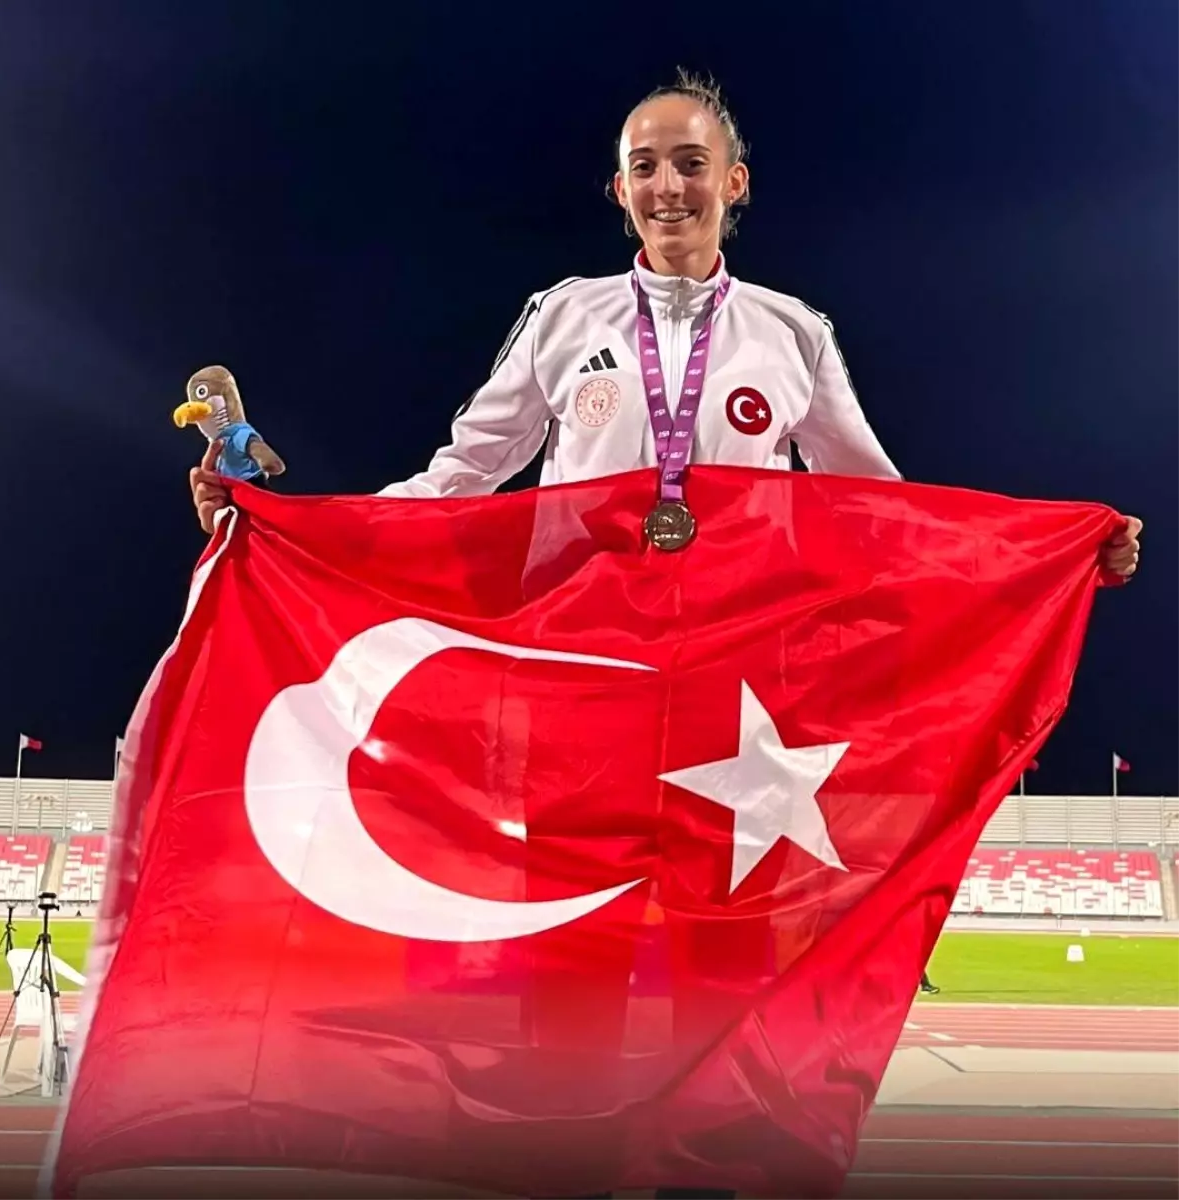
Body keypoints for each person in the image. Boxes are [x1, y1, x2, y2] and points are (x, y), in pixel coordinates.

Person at [189, 68, 1143, 1200]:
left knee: (723, 961)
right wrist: (291, 522)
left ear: (734, 183)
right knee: (565, 954)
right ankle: (564, 1171)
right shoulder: (565, 317)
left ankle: (709, 1178)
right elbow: (462, 477)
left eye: (692, 162)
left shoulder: (791, 333)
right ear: (618, 189)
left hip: (737, 703)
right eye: (645, 165)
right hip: (579, 691)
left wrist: (1045, 553)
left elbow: (875, 504)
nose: (668, 185)